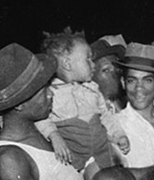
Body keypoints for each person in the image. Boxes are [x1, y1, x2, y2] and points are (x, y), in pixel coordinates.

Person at [0, 43, 87, 180]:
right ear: (19, 105)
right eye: (43, 88)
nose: (52, 93)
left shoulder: (39, 130)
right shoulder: (9, 158)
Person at [34, 28, 130, 171]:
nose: (93, 64)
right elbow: (40, 117)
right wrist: (54, 136)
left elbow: (105, 116)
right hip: (73, 160)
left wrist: (118, 135)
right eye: (88, 59)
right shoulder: (50, 92)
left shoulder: (93, 89)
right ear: (67, 64)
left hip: (101, 154)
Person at [90, 34, 127, 113]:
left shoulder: (126, 105)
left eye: (117, 70)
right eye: (106, 70)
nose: (114, 75)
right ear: (91, 76)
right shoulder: (90, 110)